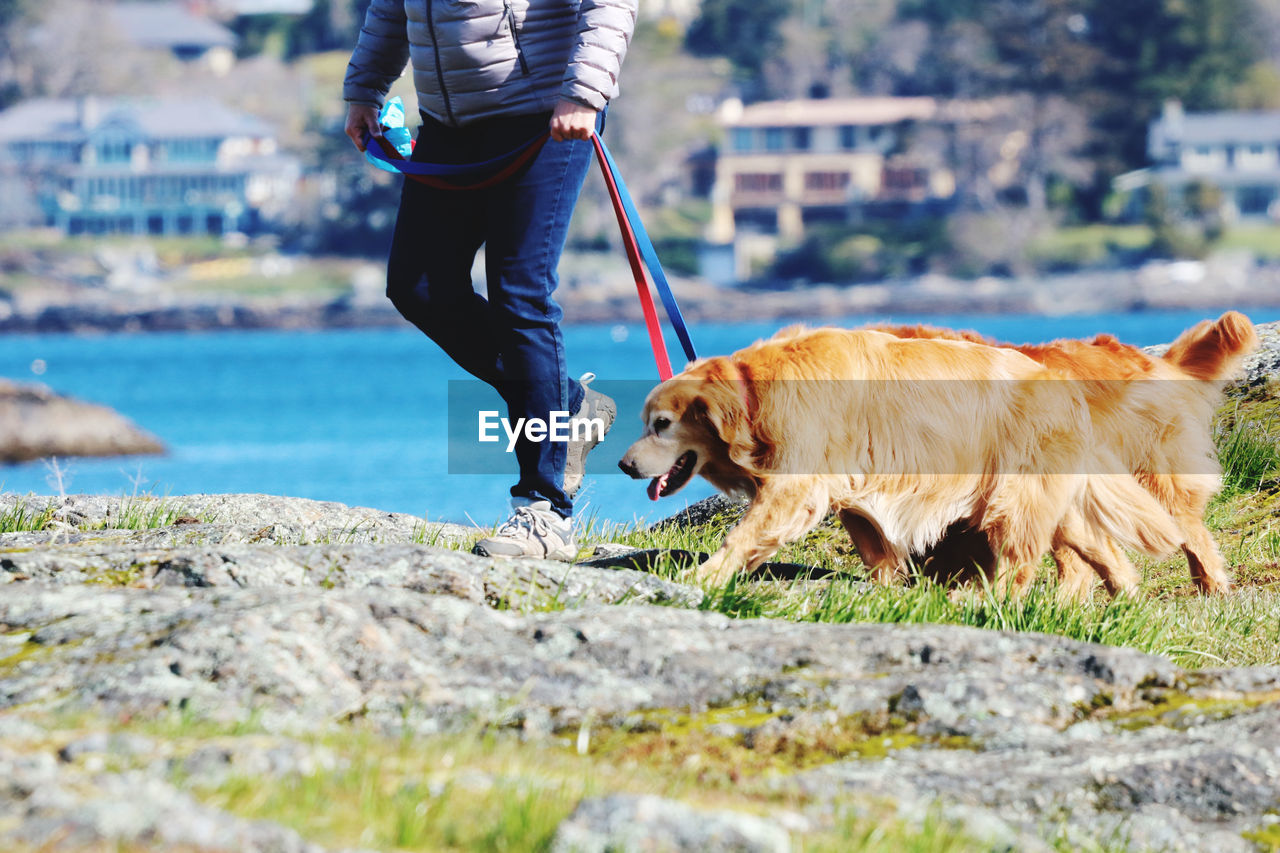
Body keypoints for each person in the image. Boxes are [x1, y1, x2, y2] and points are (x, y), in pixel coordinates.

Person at [343, 0, 636, 560]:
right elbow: (390, 8)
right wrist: (365, 89)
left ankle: (544, 513)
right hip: (448, 127)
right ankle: (568, 406)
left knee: (520, 294)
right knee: (418, 286)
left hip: (544, 115)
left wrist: (584, 91)